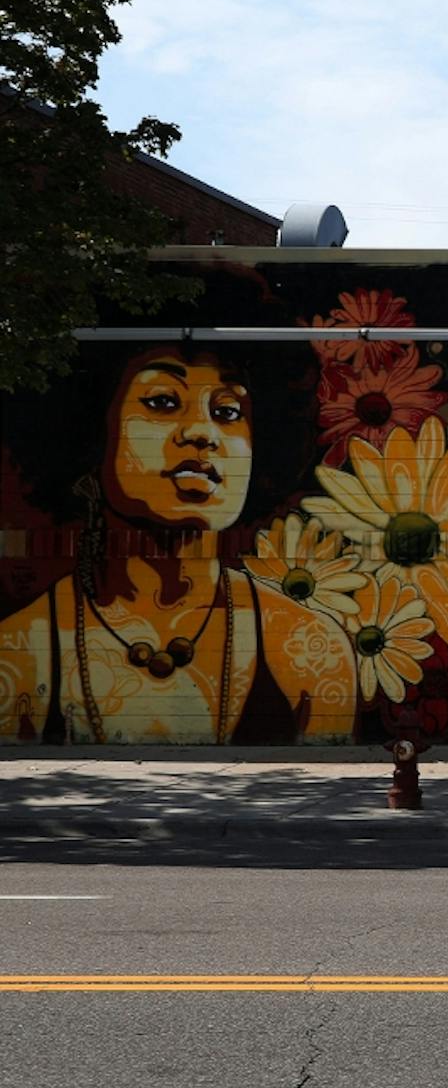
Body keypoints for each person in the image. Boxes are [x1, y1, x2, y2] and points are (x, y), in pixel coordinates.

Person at [0, 272, 355, 745]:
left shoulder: (312, 649)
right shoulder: (20, 653)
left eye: (228, 412)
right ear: (90, 436)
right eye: (163, 401)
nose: (201, 434)